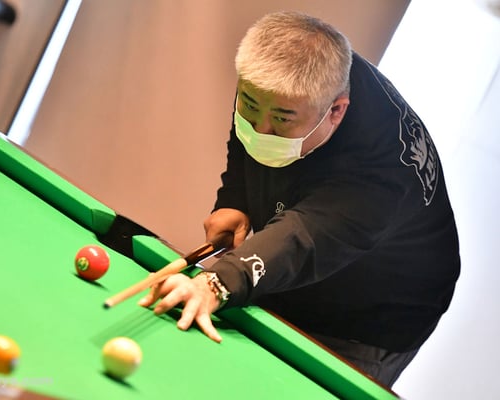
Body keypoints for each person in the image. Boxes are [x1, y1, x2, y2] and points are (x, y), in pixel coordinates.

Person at [138, 11, 460, 387]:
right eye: (250, 106)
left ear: (335, 111)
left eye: (281, 120)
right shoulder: (281, 81)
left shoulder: (381, 172)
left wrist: (217, 282)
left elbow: (304, 236)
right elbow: (250, 133)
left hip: (368, 318)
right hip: (289, 266)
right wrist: (235, 198)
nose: (261, 129)